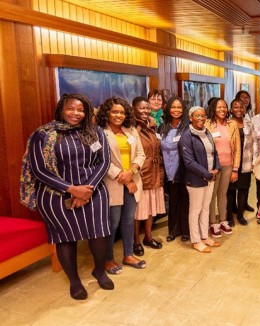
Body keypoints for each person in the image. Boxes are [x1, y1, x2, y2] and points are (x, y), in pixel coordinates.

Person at [20, 94, 113, 300]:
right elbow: (39, 170)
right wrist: (72, 190)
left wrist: (86, 190)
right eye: (71, 109)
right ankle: (74, 281)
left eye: (80, 110)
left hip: (94, 191)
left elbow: (104, 162)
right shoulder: (43, 135)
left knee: (99, 234)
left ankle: (99, 271)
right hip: (55, 195)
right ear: (62, 109)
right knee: (65, 238)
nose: (76, 113)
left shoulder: (95, 132)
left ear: (87, 111)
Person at [97, 96, 147, 274]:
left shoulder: (131, 130)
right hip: (112, 183)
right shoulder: (99, 132)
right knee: (113, 223)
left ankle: (128, 254)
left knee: (128, 221)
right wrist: (123, 177)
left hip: (132, 180)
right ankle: (108, 259)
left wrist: (131, 172)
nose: (119, 115)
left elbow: (141, 154)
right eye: (115, 112)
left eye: (122, 112)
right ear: (107, 113)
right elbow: (99, 160)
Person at [179, 107, 222, 253]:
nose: (201, 118)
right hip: (196, 179)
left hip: (210, 177)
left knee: (205, 208)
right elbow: (189, 162)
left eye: (203, 116)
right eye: (197, 116)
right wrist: (208, 174)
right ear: (191, 117)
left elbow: (214, 152)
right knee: (195, 210)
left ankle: (205, 237)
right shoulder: (187, 135)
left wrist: (217, 168)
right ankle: (196, 240)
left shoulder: (207, 132)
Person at [132, 97, 165, 256]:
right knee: (138, 211)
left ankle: (148, 237)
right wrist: (139, 126)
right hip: (141, 174)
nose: (145, 111)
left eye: (147, 108)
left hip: (155, 172)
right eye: (141, 108)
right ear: (133, 109)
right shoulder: (131, 127)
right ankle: (136, 241)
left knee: (151, 208)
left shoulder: (152, 126)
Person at [205, 98, 241, 238]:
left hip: (228, 165)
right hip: (213, 167)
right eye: (219, 107)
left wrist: (235, 169)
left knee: (223, 194)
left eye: (224, 107)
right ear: (214, 108)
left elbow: (237, 149)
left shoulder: (232, 124)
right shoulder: (208, 124)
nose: (222, 109)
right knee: (211, 195)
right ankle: (212, 222)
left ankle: (222, 220)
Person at [159, 96, 190, 242]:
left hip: (183, 171)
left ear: (183, 109)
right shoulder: (163, 126)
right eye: (173, 107)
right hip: (168, 171)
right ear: (168, 109)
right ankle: (172, 230)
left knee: (185, 202)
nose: (176, 110)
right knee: (172, 202)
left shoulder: (187, 127)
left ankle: (186, 231)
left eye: (179, 107)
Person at [226, 98, 254, 226]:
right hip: (231, 162)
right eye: (235, 107)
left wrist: (254, 161)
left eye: (241, 107)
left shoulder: (249, 123)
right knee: (230, 190)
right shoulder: (227, 123)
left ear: (245, 109)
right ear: (231, 109)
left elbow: (253, 142)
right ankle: (229, 216)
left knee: (243, 189)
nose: (238, 109)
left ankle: (241, 215)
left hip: (246, 160)